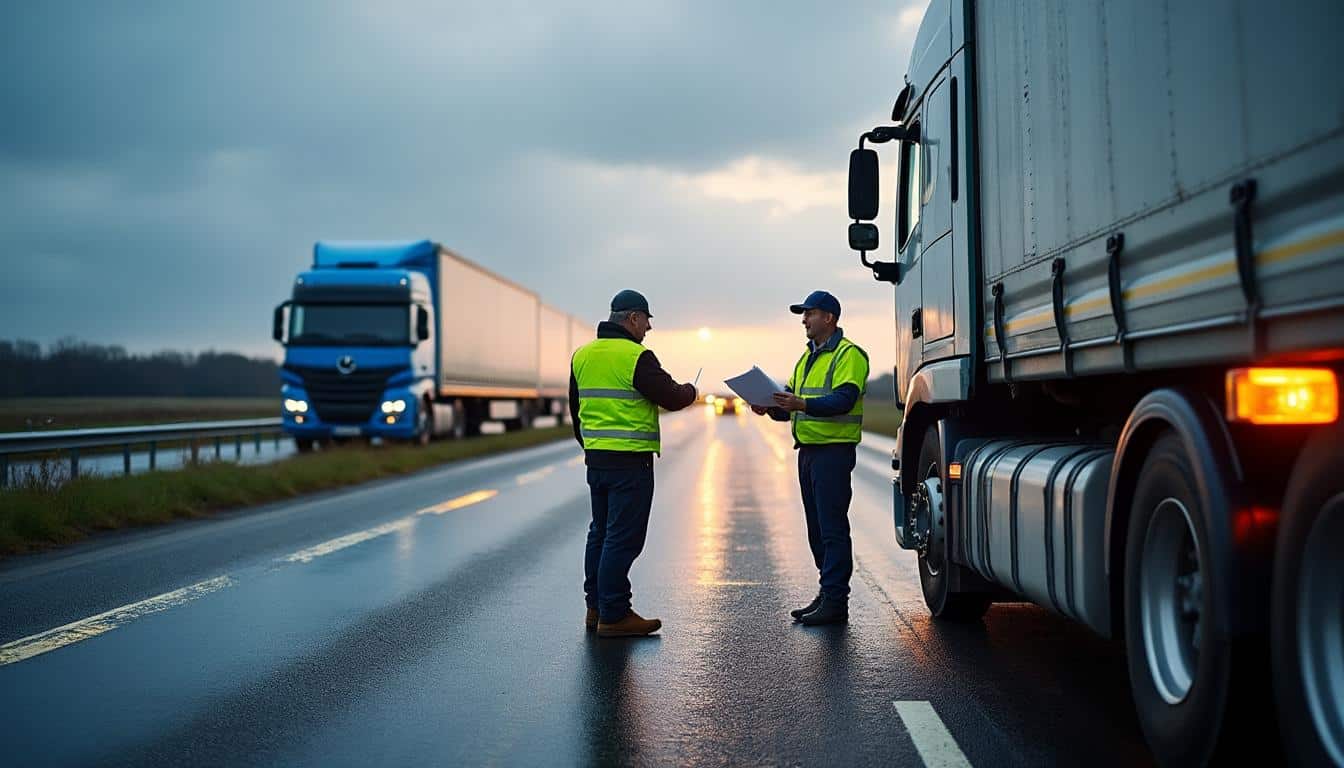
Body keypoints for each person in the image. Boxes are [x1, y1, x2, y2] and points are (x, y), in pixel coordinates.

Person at [570, 289, 697, 637]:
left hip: (597, 461)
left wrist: (593, 447)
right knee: (622, 538)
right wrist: (692, 390)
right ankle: (615, 614)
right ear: (633, 318)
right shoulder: (636, 357)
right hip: (630, 463)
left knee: (599, 533)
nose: (649, 329)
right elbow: (671, 396)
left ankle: (596, 608)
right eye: (647, 321)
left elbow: (576, 411)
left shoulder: (582, 355)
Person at [751, 290, 868, 625]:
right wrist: (770, 407)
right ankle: (827, 593)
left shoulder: (849, 354)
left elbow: (843, 400)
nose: (804, 320)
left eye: (810, 313)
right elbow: (790, 407)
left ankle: (836, 601)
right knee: (817, 530)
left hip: (833, 452)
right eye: (804, 314)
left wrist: (801, 404)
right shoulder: (806, 358)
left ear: (829, 318)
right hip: (808, 452)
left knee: (832, 529)